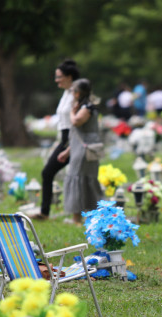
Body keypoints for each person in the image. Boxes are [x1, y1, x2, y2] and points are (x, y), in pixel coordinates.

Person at [32, 59, 79, 220]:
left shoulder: (76, 93)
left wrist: (70, 147)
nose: (56, 80)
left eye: (59, 77)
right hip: (64, 139)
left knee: (74, 177)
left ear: (69, 77)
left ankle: (78, 215)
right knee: (49, 173)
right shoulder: (66, 93)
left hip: (73, 139)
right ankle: (45, 212)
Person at [60, 79, 103, 224]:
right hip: (83, 147)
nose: (71, 93)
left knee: (78, 179)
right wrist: (67, 152)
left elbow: (76, 122)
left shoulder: (86, 108)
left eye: (73, 90)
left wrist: (71, 113)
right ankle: (86, 216)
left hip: (85, 150)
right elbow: (77, 134)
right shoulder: (84, 106)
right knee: (83, 180)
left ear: (78, 93)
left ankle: (77, 218)